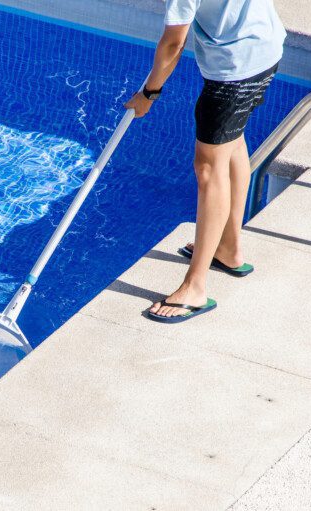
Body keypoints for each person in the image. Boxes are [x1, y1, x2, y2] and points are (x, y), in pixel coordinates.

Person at [124, 0, 286, 323]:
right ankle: (228, 247)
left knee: (208, 168)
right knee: (232, 142)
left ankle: (195, 287)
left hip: (234, 70)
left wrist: (149, 93)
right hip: (265, 50)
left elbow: (173, 42)